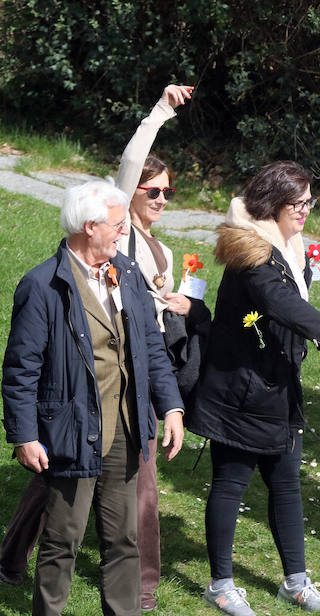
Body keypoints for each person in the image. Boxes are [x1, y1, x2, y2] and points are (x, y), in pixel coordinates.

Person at [0, 85, 199, 612]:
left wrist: (171, 405)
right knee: (62, 541)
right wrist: (24, 434)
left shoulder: (127, 271)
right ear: (91, 229)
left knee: (124, 540)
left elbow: (152, 347)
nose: (123, 231)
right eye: (116, 225)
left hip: (127, 429)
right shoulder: (43, 286)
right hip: (69, 428)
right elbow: (20, 369)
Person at [186, 162, 320, 616]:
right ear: (273, 205)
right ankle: (220, 586)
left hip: (275, 387)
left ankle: (295, 582)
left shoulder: (285, 245)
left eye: (310, 202)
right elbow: (277, 299)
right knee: (231, 483)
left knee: (286, 484)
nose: (306, 212)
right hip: (240, 390)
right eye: (299, 204)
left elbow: (287, 295)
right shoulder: (251, 251)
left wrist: (306, 274)